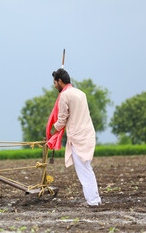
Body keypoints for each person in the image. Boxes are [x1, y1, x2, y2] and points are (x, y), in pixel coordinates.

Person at [46, 68, 101, 206]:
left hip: (78, 137)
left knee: (84, 170)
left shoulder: (65, 96)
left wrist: (53, 130)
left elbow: (62, 119)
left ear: (60, 81)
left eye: (54, 83)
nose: (54, 86)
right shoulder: (80, 93)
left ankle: (93, 201)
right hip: (87, 134)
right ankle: (95, 198)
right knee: (87, 168)